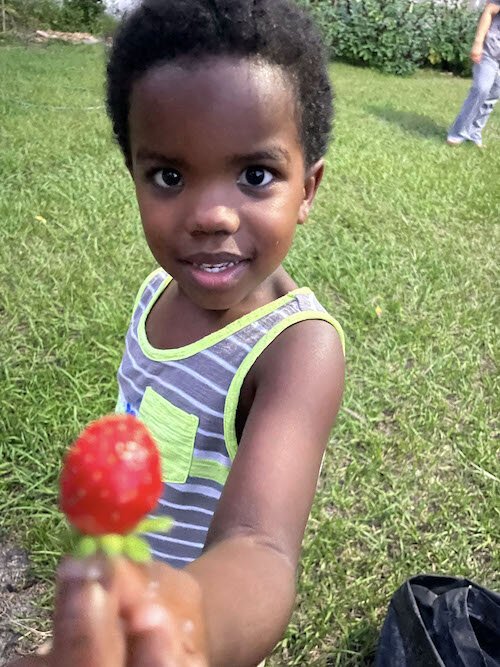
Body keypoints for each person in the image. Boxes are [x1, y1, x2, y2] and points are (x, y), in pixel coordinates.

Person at [10, 1, 345, 665]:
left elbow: (261, 543)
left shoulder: (296, 349)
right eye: (169, 176)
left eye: (255, 175)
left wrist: (188, 614)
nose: (211, 215)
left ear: (307, 189)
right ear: (133, 174)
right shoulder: (157, 289)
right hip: (125, 570)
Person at [447, 0, 500, 147]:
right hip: (490, 50)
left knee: (493, 94)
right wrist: (478, 42)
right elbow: (489, 10)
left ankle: (474, 132)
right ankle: (457, 132)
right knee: (481, 89)